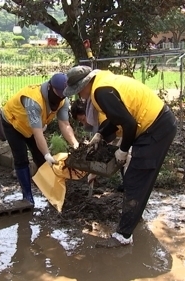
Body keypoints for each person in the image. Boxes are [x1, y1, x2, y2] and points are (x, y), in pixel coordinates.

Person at [63, 65, 178, 248]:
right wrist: (100, 134)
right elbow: (116, 118)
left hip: (156, 127)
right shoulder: (103, 82)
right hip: (157, 122)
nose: (79, 96)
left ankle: (123, 236)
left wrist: (123, 151)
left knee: (135, 177)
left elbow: (129, 124)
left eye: (78, 91)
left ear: (86, 84)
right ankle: (134, 216)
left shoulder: (100, 93)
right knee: (139, 177)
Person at [1, 73, 80, 205]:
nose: (61, 96)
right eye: (59, 92)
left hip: (32, 126)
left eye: (64, 93)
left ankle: (51, 193)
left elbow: (65, 124)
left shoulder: (63, 101)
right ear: (50, 87)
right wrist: (47, 155)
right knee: (21, 159)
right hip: (12, 123)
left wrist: (75, 144)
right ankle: (27, 197)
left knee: (40, 159)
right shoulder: (34, 100)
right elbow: (38, 133)